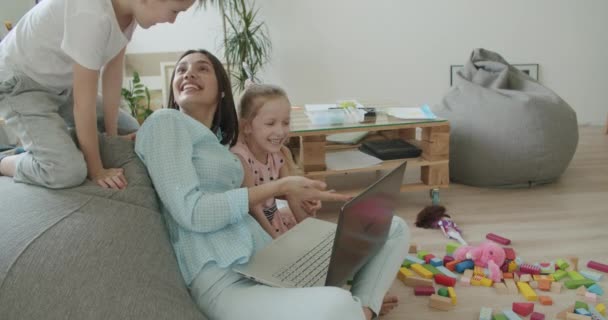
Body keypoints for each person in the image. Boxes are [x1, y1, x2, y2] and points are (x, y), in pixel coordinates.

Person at [134, 49, 409, 320]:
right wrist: (280, 187)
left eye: (202, 68)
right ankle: (359, 307)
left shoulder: (218, 142)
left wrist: (294, 201)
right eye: (181, 69)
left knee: (393, 227)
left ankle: (361, 309)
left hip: (267, 260)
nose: (189, 73)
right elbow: (191, 212)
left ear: (221, 90)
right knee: (337, 304)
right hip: (222, 278)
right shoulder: (165, 122)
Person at [0, 0, 203, 189]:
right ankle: (7, 160)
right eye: (175, 11)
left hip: (60, 85)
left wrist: (113, 135)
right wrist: (97, 170)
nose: (172, 20)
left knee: (133, 131)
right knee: (69, 172)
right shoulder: (90, 14)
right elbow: (83, 104)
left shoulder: (128, 13)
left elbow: (112, 74)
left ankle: (59, 142)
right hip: (21, 86)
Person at [230, 84, 320, 238]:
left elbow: (291, 194)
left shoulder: (279, 153)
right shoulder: (240, 157)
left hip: (273, 222)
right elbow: (254, 209)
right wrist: (277, 242)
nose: (280, 131)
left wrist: (311, 230)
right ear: (246, 127)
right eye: (270, 123)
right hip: (253, 230)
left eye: (285, 123)